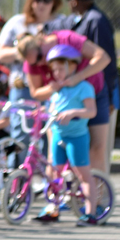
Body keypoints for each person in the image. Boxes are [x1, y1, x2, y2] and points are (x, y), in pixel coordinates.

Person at [47, 0, 119, 173]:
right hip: (80, 91)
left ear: (76, 1)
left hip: (97, 90)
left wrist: (111, 96)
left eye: (70, 0)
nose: (68, 4)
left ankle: (100, 197)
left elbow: (108, 61)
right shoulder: (79, 19)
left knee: (98, 148)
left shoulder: (96, 20)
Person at [18, 30, 111, 173]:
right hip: (61, 104)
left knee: (97, 149)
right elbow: (36, 92)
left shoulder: (67, 39)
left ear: (41, 42)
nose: (41, 63)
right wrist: (52, 88)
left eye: (40, 57)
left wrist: (78, 77)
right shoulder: (32, 61)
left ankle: (98, 194)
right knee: (54, 154)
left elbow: (103, 57)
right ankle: (54, 192)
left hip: (92, 95)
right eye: (35, 62)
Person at [0, 0, 64, 157]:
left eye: (46, 0)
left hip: (51, 89)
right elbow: (0, 54)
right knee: (20, 138)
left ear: (53, 2)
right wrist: (25, 51)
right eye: (37, 0)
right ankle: (17, 180)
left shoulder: (60, 23)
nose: (41, 4)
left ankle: (48, 181)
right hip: (23, 88)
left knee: (52, 137)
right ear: (30, 2)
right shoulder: (17, 23)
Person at [35, 45, 99, 225]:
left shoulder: (84, 87)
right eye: (54, 69)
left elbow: (91, 111)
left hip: (76, 137)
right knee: (55, 174)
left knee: (83, 175)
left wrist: (72, 113)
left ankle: (90, 213)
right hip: (58, 136)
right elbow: (52, 110)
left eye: (61, 69)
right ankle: (53, 209)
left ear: (72, 67)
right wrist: (41, 112)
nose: (56, 73)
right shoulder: (57, 90)